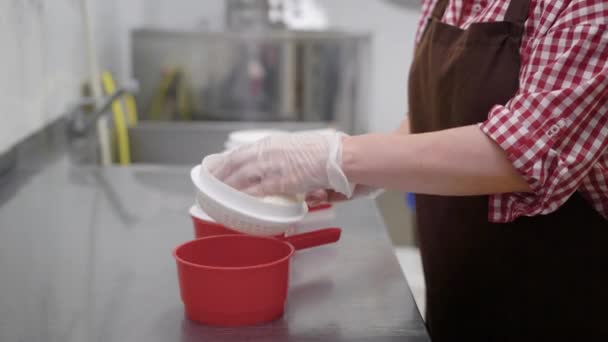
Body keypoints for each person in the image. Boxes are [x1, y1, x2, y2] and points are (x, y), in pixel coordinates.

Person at [210, 0, 608, 340]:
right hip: (458, 302)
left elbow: (522, 150)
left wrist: (338, 156)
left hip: (558, 310)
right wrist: (363, 171)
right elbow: (428, 116)